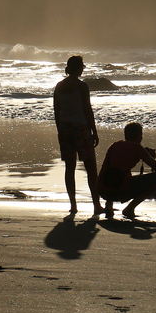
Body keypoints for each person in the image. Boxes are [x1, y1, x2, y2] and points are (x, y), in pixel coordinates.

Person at [53, 55, 104, 215]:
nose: (83, 69)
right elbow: (87, 110)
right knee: (90, 168)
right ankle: (96, 205)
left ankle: (73, 205)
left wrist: (59, 129)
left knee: (70, 167)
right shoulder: (82, 86)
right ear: (78, 68)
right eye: (82, 66)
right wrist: (94, 131)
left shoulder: (59, 86)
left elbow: (56, 111)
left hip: (65, 128)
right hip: (81, 128)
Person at [98, 122, 156, 219]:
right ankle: (130, 208)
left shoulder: (114, 145)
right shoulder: (137, 148)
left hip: (102, 191)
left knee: (115, 172)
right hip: (121, 192)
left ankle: (109, 205)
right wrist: (150, 157)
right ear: (139, 136)